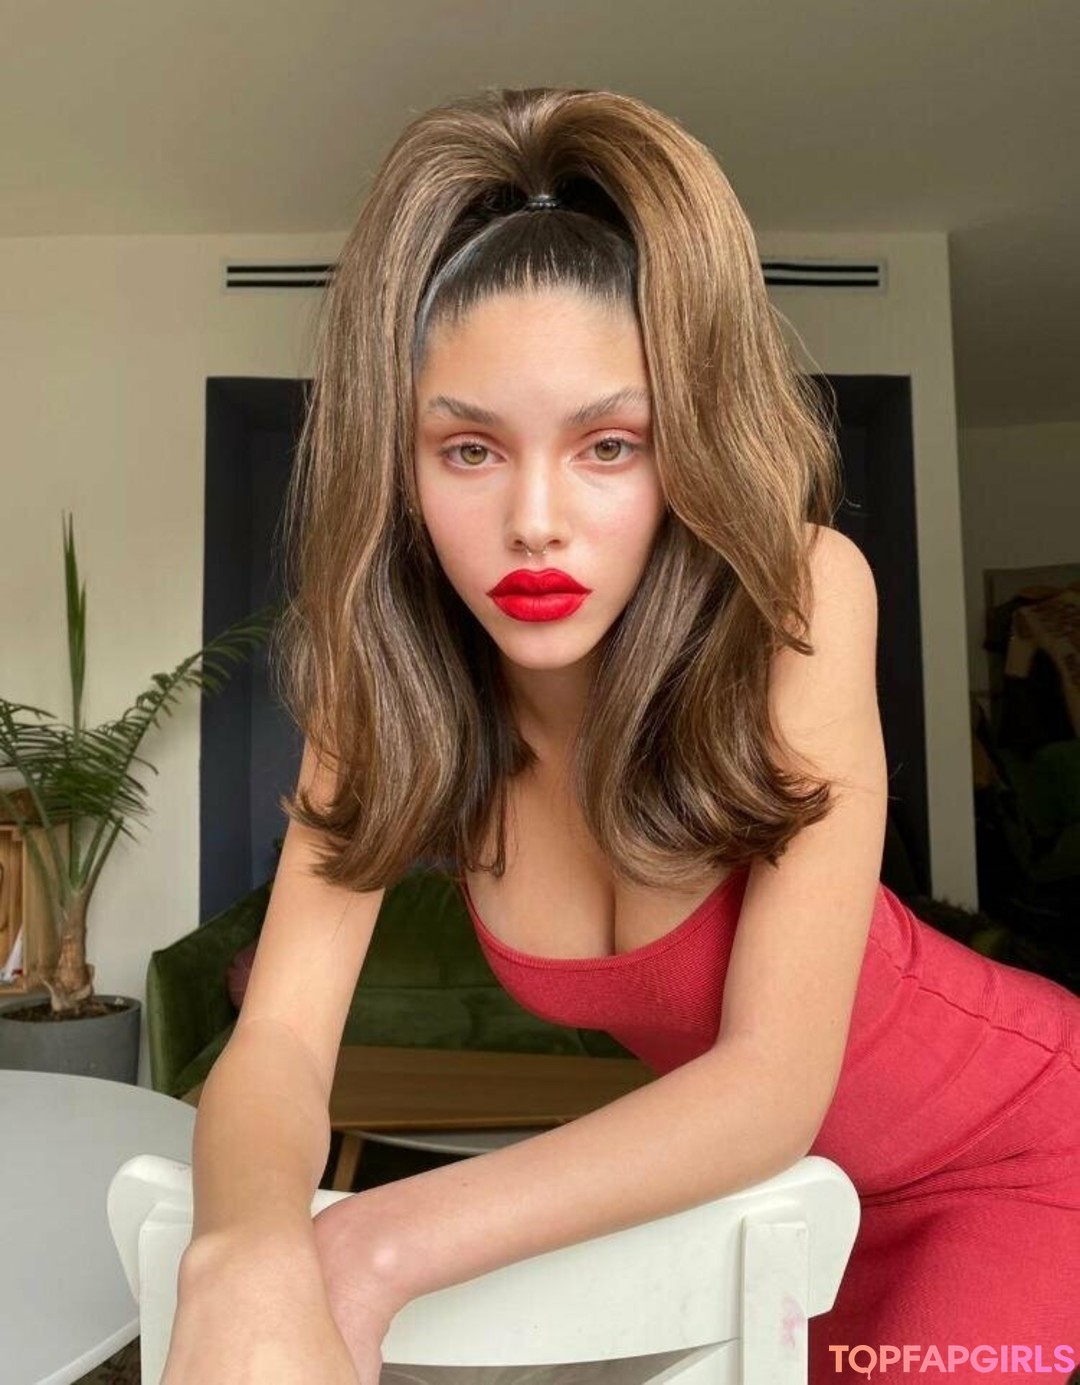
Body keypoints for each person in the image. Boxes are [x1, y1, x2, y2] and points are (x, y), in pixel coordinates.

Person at [166, 86, 1080, 1384]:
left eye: (609, 444)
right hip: (776, 1219)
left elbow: (770, 1086)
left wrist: (370, 1245)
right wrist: (245, 1246)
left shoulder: (792, 602)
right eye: (469, 449)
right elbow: (280, 1042)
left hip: (1016, 1155)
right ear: (401, 466)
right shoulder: (381, 690)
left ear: (687, 451)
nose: (536, 518)